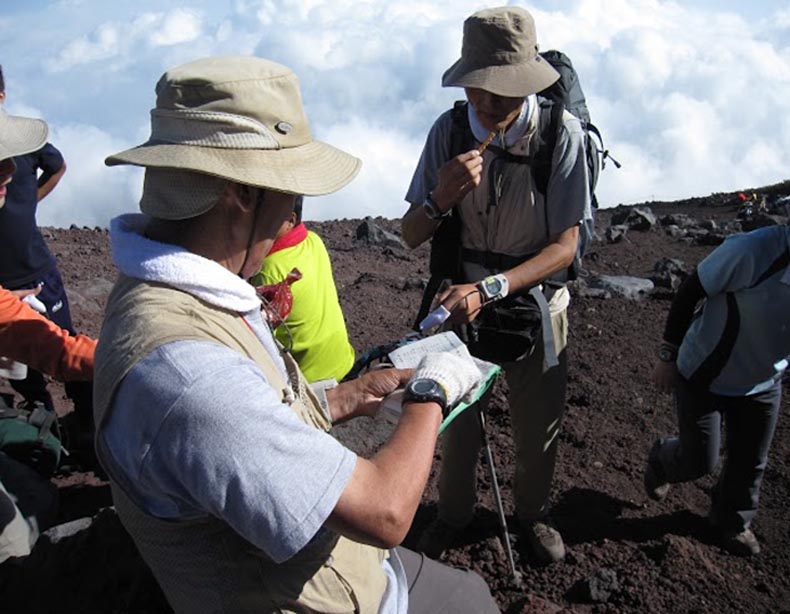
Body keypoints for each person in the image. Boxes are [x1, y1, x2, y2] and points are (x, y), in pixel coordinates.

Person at [94, 55, 499, 613]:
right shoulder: (188, 378)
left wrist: (343, 397)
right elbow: (386, 513)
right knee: (474, 601)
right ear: (241, 192)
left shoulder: (172, 299)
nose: (292, 216)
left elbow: (243, 414)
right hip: (318, 598)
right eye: (289, 193)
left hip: (339, 573)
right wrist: (434, 390)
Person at [401, 6, 589, 564]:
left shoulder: (561, 134)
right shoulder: (450, 130)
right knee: (458, 424)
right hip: (463, 304)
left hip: (533, 302)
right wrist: (441, 197)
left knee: (537, 427)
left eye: (501, 95)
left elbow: (565, 246)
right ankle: (453, 516)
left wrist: (491, 289)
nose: (485, 105)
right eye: (477, 89)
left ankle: (534, 513)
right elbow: (410, 233)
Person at [645, 224, 790, 557]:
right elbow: (690, 290)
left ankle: (732, 522)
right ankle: (662, 459)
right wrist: (668, 355)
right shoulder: (754, 251)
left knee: (751, 459)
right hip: (705, 373)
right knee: (698, 461)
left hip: (764, 380)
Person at [0, 107, 97, 563]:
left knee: (38, 501)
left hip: (28, 280)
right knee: (14, 545)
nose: (11, 170)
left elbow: (61, 351)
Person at [0, 65, 92, 444]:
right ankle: (43, 425)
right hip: (12, 281)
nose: (7, 171)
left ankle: (85, 422)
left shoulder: (24, 142)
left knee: (57, 343)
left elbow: (57, 166)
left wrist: (30, 204)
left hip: (33, 272)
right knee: (32, 358)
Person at [249, 196, 355, 383]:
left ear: (291, 220)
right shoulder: (314, 240)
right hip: (343, 362)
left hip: (311, 381)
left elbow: (259, 343)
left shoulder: (270, 269)